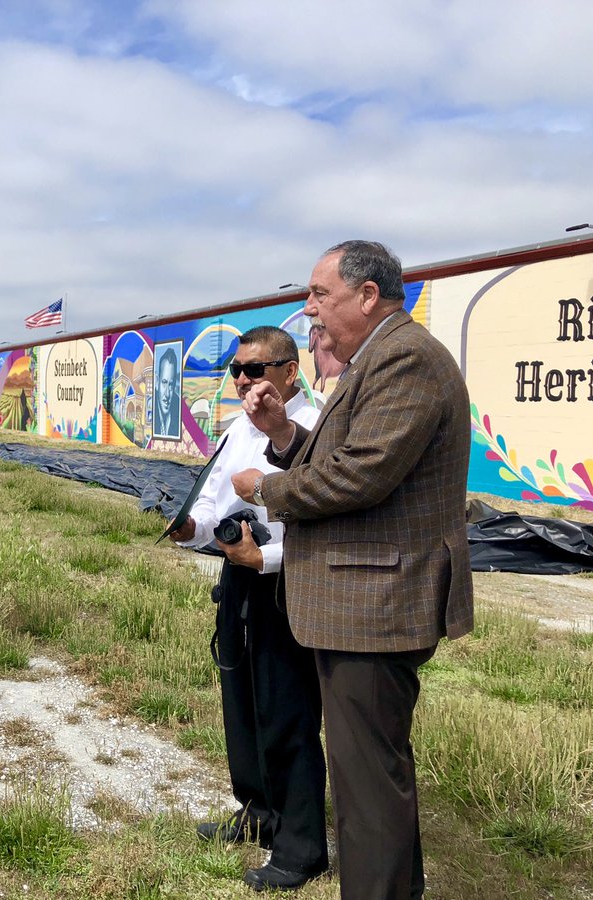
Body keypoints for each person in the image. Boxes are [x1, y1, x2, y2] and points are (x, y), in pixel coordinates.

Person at [233, 241, 474, 899]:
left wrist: (265, 488)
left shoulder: (406, 360)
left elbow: (361, 476)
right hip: (359, 605)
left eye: (320, 294)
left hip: (376, 606)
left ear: (367, 296)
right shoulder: (379, 359)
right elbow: (339, 455)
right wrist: (286, 435)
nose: (308, 307)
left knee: (369, 787)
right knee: (370, 779)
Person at [169, 325, 328, 892]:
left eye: (254, 370)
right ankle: (258, 810)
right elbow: (213, 499)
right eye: (236, 370)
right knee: (241, 702)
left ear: (289, 371)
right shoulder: (237, 426)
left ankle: (302, 846)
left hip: (287, 582)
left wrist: (266, 557)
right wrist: (191, 528)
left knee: (288, 712)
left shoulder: (313, 429)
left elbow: (321, 523)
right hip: (238, 574)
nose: (242, 380)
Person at [154, 347, 181, 438]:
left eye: (171, 384)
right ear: (157, 382)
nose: (167, 394)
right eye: (164, 382)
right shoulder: (150, 406)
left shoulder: (178, 408)